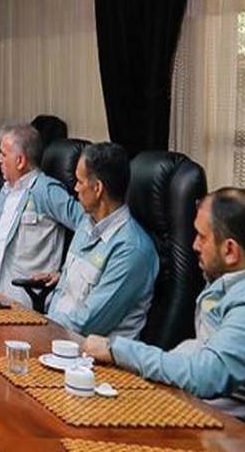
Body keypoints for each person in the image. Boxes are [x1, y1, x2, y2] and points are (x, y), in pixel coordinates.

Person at [84, 188, 245, 429]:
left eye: (202, 237)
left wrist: (116, 350)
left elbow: (205, 375)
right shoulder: (232, 281)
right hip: (203, 414)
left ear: (230, 251)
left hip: (237, 435)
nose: (194, 245)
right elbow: (205, 347)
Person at [42, 142, 158, 338]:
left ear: (97, 188)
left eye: (80, 181)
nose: (75, 188)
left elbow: (88, 322)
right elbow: (64, 294)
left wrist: (39, 328)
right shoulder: (86, 224)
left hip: (90, 351)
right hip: (58, 337)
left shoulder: (131, 250)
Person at [0, 123, 84, 306]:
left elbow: (88, 225)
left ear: (20, 161)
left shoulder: (46, 190)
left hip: (20, 297)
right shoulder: (6, 189)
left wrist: (64, 274)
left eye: (3, 154)